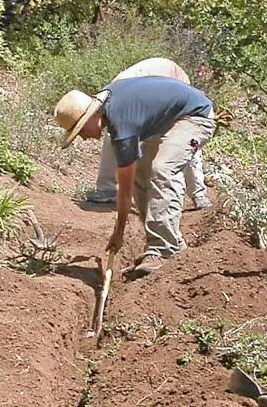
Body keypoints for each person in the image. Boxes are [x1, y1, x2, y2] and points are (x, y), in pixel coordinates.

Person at [54, 75, 215, 276]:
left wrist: (119, 232)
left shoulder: (122, 124)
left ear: (91, 116)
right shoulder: (111, 107)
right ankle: (170, 245)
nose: (83, 137)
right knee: (141, 173)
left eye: (80, 130)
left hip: (195, 115)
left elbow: (124, 189)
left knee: (162, 170)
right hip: (168, 119)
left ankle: (163, 249)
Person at [84, 57, 210, 209]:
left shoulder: (171, 87)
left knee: (184, 140)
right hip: (144, 84)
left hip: (165, 81)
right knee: (116, 134)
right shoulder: (112, 96)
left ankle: (197, 193)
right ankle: (108, 189)